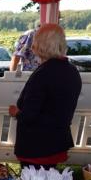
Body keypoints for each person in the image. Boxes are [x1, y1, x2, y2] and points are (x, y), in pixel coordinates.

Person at [8, 24, 82, 169]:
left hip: (37, 145)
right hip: (58, 141)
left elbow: (29, 115)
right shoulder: (72, 71)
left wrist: (16, 112)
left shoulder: (43, 74)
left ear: (40, 45)